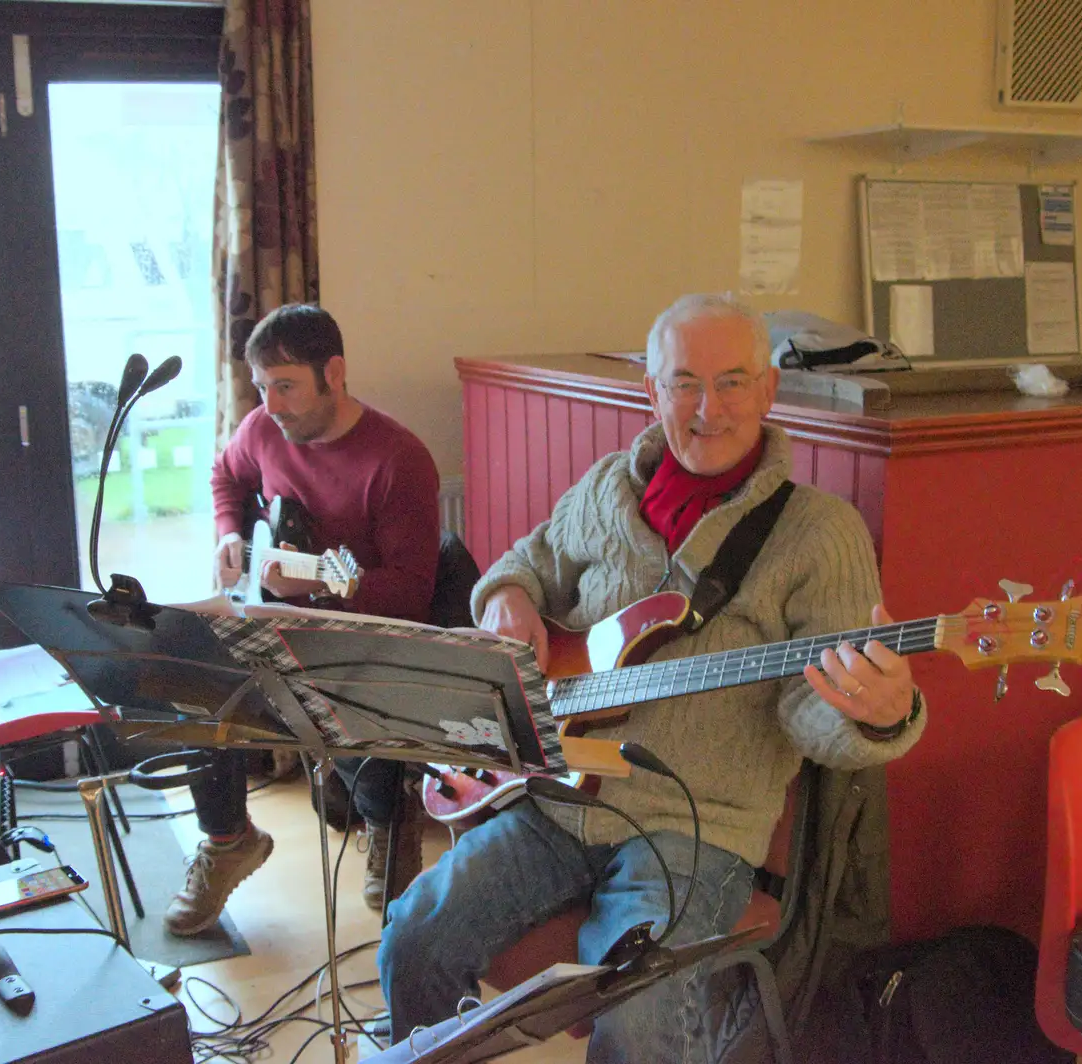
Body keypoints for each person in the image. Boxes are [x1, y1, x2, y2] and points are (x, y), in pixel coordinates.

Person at [377, 294, 927, 1061]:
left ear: (769, 391)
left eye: (733, 382)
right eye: (685, 383)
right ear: (652, 392)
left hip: (694, 828)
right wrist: (505, 600)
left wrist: (879, 714)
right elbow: (527, 564)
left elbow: (814, 712)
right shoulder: (608, 488)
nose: (710, 408)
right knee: (413, 936)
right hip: (559, 801)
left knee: (638, 1013)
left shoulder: (819, 534)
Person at [163, 303, 441, 937]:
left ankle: (387, 822)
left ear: (334, 373)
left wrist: (314, 576)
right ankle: (229, 838)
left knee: (352, 702)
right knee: (188, 677)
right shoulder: (262, 430)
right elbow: (225, 476)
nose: (270, 405)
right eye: (262, 387)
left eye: (284, 386)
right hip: (272, 619)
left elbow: (412, 595)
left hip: (360, 639)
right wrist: (229, 534)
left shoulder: (399, 459)